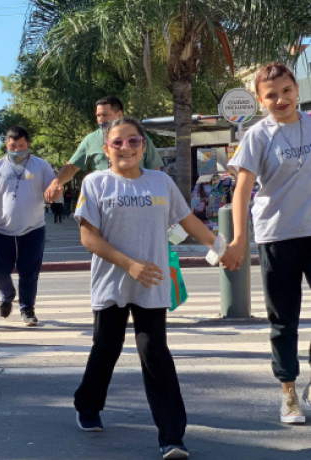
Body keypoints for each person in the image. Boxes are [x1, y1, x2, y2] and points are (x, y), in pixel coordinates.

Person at [73, 117, 220, 460]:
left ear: (144, 146)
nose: (126, 148)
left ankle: (172, 438)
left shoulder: (161, 182)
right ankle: (87, 404)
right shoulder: (95, 183)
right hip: (112, 282)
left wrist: (222, 248)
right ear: (106, 149)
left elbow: (188, 222)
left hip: (152, 285)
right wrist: (130, 265)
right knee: (106, 348)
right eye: (118, 143)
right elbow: (88, 236)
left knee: (154, 353)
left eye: (134, 141)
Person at [222, 63, 311, 425]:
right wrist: (239, 239)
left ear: (296, 90)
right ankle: (289, 391)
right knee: (283, 320)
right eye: (271, 95)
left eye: (286, 90)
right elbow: (242, 189)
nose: (280, 99)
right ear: (260, 101)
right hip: (277, 235)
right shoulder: (258, 135)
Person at [0, 126, 55, 326]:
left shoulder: (41, 166)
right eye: (13, 146)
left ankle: (27, 309)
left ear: (28, 144)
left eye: (21, 146)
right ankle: (7, 294)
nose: (17, 150)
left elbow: (52, 188)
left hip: (32, 229)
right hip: (0, 230)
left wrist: (54, 193)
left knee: (29, 272)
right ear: (6, 145)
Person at [45, 96, 164, 202]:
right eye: (98, 115)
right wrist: (56, 182)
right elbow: (71, 166)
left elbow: (155, 170)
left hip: (138, 200)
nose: (101, 119)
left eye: (105, 115)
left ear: (119, 114)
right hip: (103, 201)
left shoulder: (139, 137)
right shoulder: (91, 140)